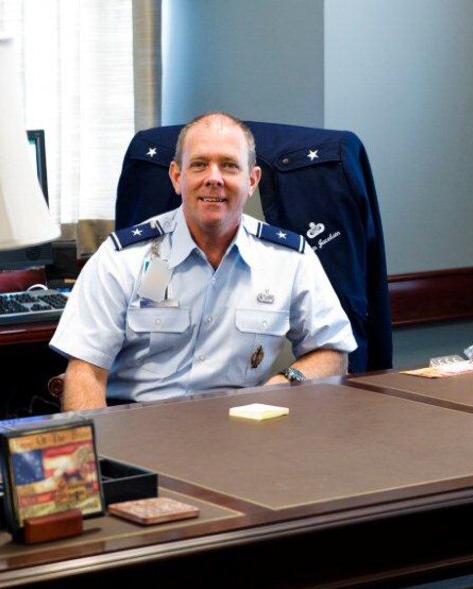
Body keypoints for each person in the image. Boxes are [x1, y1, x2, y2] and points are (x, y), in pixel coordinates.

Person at [49, 112, 357, 410]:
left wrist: (284, 382)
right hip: (141, 430)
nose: (214, 179)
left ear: (252, 180)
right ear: (177, 177)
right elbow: (84, 372)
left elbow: (332, 350)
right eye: (199, 165)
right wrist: (98, 457)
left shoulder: (288, 260)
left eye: (228, 166)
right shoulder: (123, 258)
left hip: (244, 433)